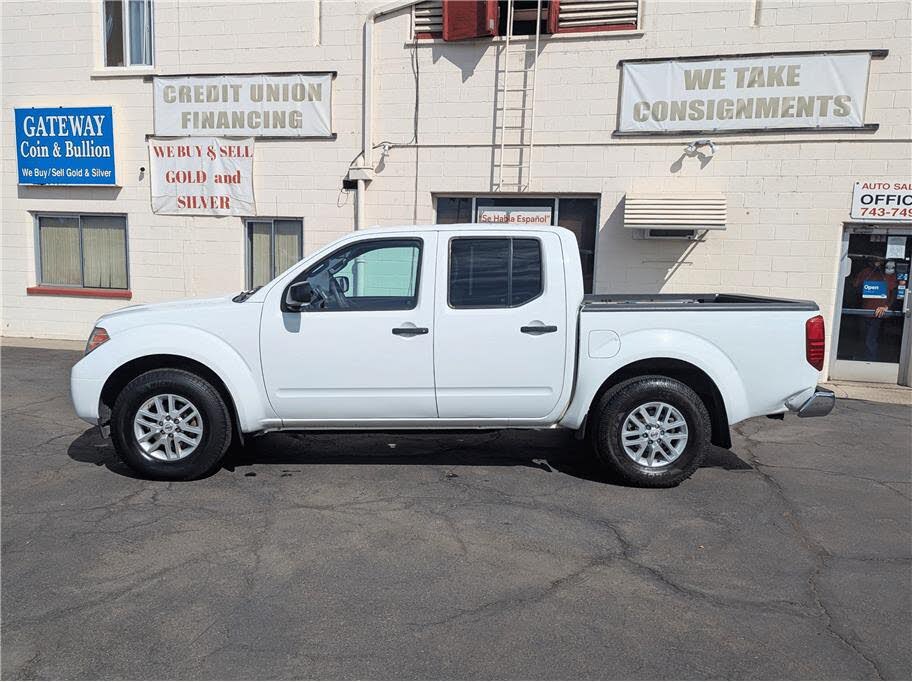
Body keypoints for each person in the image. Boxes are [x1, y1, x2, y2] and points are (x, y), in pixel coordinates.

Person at [852, 258, 898, 361]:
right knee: (862, 339)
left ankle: (871, 363)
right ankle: (860, 361)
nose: (878, 262)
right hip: (864, 312)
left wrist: (886, 307)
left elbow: (895, 294)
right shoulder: (866, 272)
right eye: (875, 259)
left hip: (879, 314)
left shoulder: (889, 275)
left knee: (871, 341)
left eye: (880, 260)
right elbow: (855, 286)